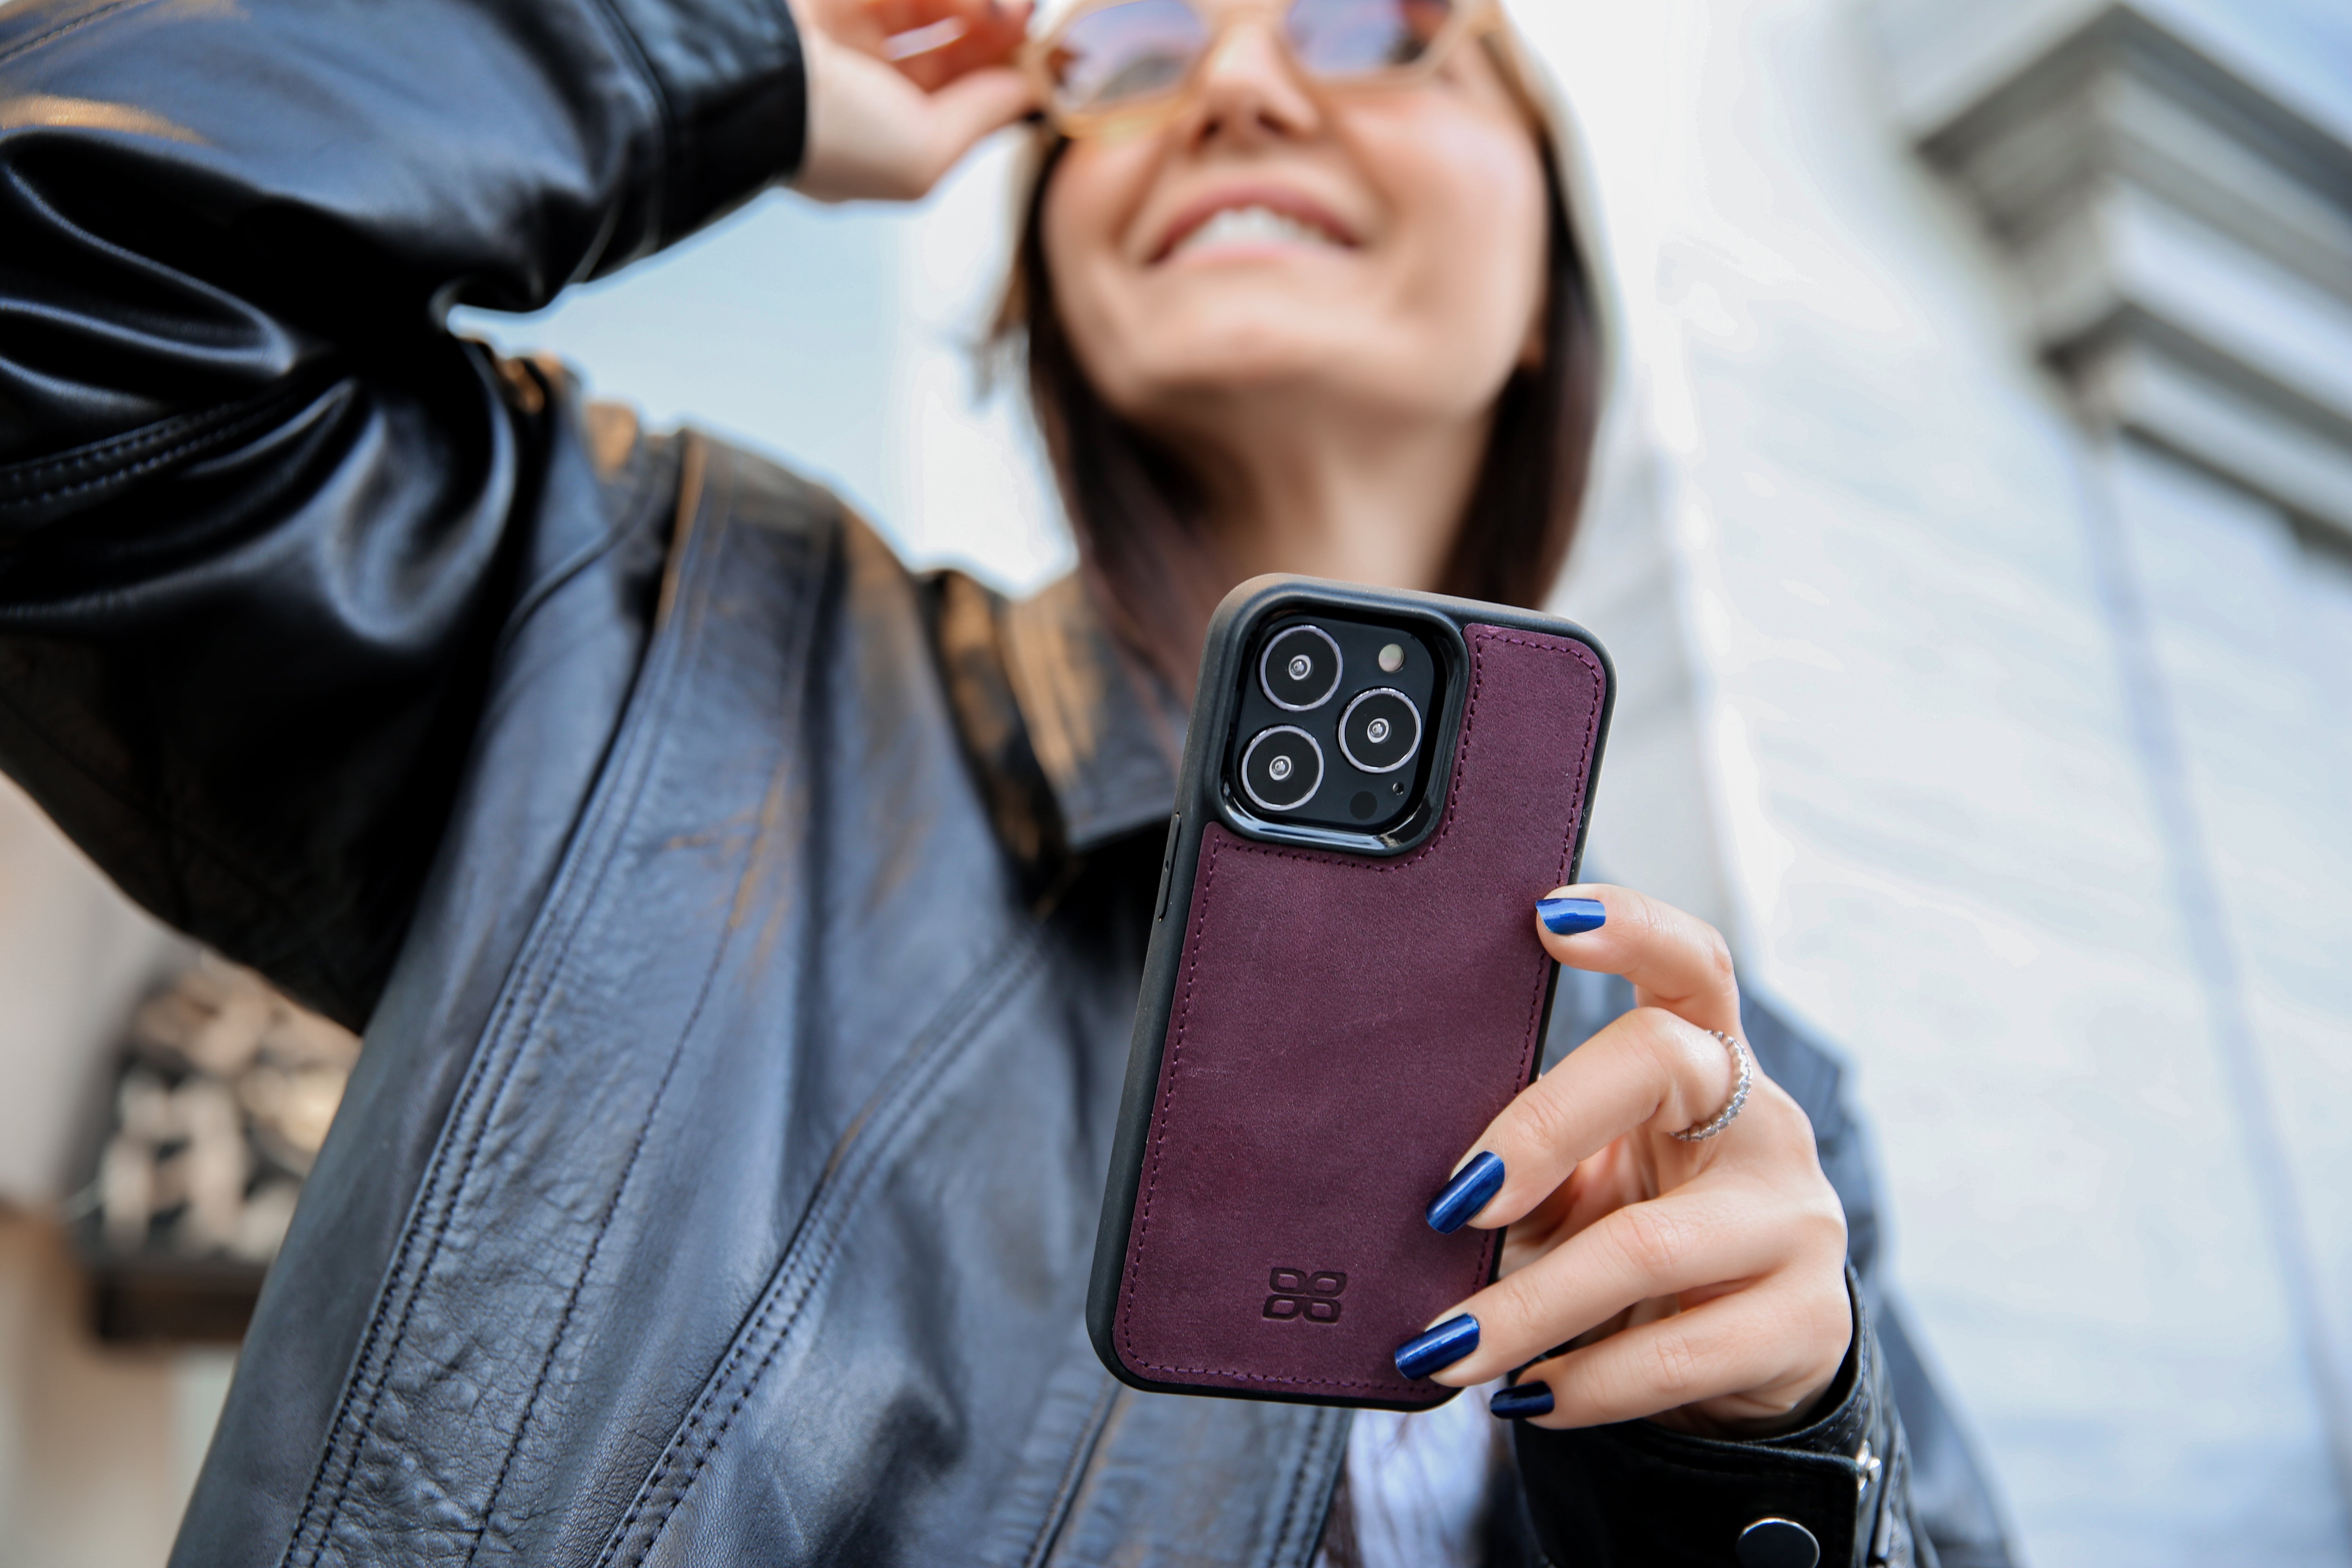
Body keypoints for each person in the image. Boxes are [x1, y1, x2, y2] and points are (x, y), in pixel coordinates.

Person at [0, 0, 2009, 1562]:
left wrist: (1759, 1464)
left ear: (1554, 260)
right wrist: (726, 56)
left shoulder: (1741, 1107)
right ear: (1044, 261)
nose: (1235, 84)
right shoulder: (662, 637)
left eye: (1370, 25)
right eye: (1123, 53)